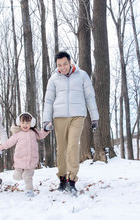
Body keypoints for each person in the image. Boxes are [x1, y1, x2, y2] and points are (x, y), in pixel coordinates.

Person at [42, 51, 99, 194]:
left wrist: (94, 117)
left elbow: (90, 96)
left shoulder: (82, 75)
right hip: (59, 117)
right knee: (61, 149)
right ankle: (62, 179)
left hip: (77, 116)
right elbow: (48, 100)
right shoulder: (53, 79)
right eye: (59, 65)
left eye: (65, 64)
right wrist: (46, 120)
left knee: (73, 146)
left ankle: (71, 180)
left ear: (70, 62)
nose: (62, 67)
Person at [0, 112, 52, 197]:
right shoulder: (17, 134)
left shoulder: (34, 132)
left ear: (32, 123)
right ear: (19, 123)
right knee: (17, 177)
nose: (25, 125)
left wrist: (46, 129)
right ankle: (20, 175)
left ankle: (29, 191)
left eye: (27, 123)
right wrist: (1, 147)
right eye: (23, 123)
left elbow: (42, 134)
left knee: (27, 177)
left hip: (31, 160)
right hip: (19, 160)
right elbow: (9, 142)